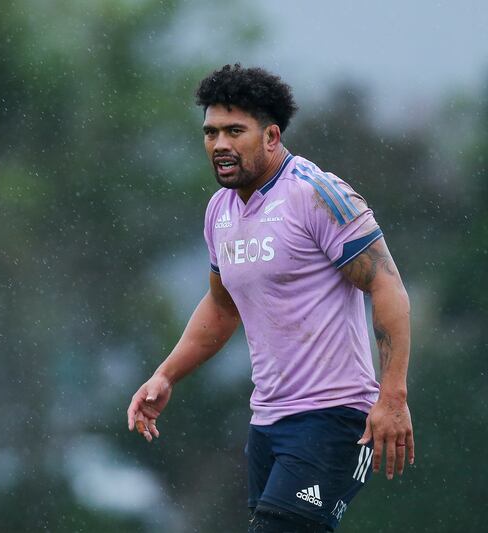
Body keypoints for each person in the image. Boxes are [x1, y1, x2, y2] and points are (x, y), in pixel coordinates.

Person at [127, 64, 413, 532]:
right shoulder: (219, 210)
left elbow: (387, 286)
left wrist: (393, 396)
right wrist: (166, 375)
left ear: (271, 136)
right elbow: (221, 308)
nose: (220, 144)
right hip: (267, 421)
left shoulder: (316, 195)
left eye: (235, 131)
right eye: (211, 132)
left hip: (334, 416)